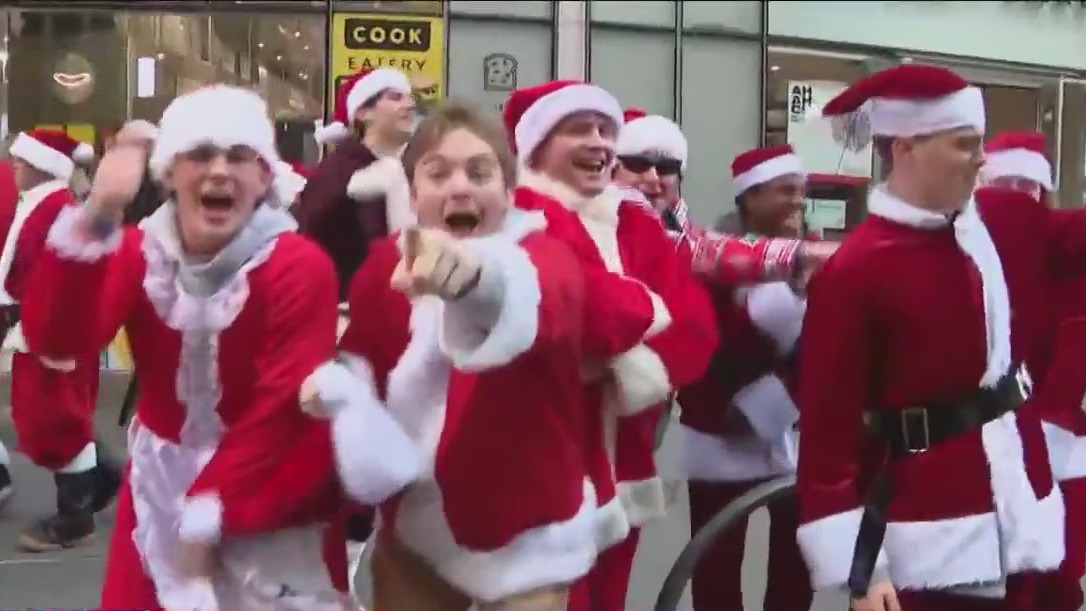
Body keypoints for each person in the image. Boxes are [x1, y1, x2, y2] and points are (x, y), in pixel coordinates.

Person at [18, 84, 420, 610]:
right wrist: (98, 215)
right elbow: (60, 342)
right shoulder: (141, 253)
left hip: (271, 484)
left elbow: (278, 405)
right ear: (170, 174)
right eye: (200, 155)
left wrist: (209, 511)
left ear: (263, 176)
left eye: (238, 156)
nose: (219, 171)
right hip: (158, 487)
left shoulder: (296, 265)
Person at [797, 64, 1086, 611]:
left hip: (1026, 505)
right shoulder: (858, 270)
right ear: (906, 148)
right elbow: (828, 440)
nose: (983, 159)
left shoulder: (1000, 218)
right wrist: (861, 570)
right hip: (931, 529)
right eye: (965, 144)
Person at [332, 97, 595, 611]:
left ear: (508, 192)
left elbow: (535, 302)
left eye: (479, 172)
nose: (460, 187)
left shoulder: (543, 257)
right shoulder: (383, 268)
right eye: (438, 173)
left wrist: (474, 281)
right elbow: (363, 366)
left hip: (527, 537)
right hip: (416, 529)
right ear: (413, 192)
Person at [503, 80, 719, 611]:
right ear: (535, 145)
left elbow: (696, 326)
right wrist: (643, 309)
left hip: (625, 461)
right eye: (580, 129)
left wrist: (633, 366)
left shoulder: (632, 225)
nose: (600, 143)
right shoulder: (516, 216)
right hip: (542, 466)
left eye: (605, 130)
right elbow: (587, 314)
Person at [680, 144, 813, 611]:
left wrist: (780, 399)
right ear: (750, 198)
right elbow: (698, 347)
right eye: (785, 191)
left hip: (795, 433)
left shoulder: (814, 259)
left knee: (798, 564)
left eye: (801, 191)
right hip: (719, 433)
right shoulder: (707, 259)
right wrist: (736, 407)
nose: (797, 201)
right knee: (715, 563)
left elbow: (828, 346)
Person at [979, 130, 1086, 611]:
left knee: (1061, 578)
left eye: (1031, 186)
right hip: (988, 444)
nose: (1021, 198)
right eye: (1009, 184)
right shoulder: (964, 256)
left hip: (1066, 449)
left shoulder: (1071, 254)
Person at [1, 127, 118, 551]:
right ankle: (101, 478)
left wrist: (57, 339)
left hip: (52, 333)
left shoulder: (58, 209)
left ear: (43, 166)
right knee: (52, 417)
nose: (14, 164)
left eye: (23, 159)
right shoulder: (40, 203)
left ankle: (76, 516)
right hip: (37, 326)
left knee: (56, 420)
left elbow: (69, 276)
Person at [294, 66, 417, 299]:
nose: (409, 105)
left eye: (409, 98)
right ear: (363, 113)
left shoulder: (399, 169)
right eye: (395, 97)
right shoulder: (337, 174)